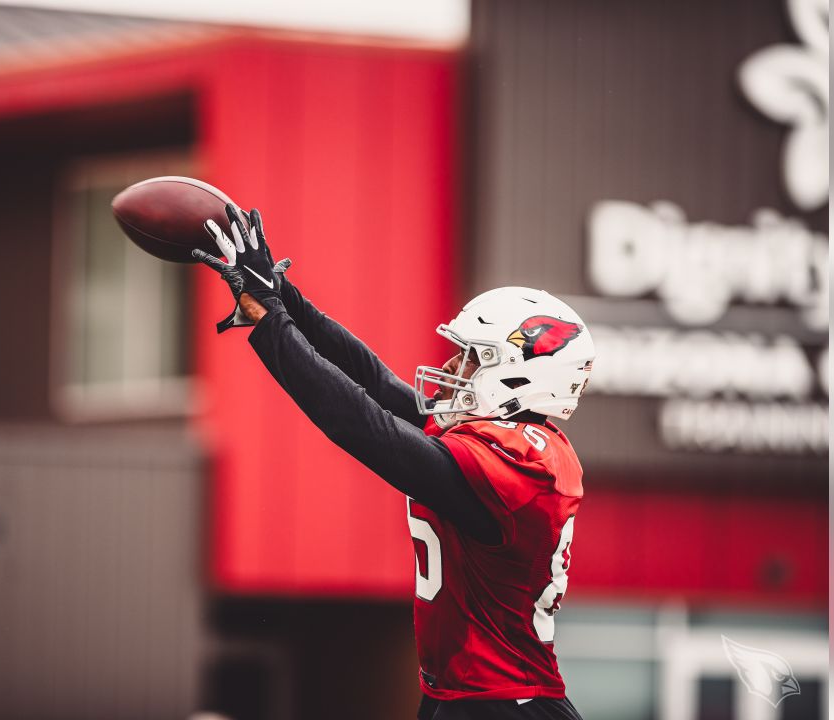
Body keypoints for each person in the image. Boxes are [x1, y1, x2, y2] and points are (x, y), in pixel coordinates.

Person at [194, 205, 593, 720]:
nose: (452, 367)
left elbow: (365, 427)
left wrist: (271, 323)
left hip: (505, 707)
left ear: (523, 375)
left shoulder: (525, 468)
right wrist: (282, 297)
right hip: (462, 699)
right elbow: (374, 382)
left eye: (473, 356)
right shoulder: (493, 437)